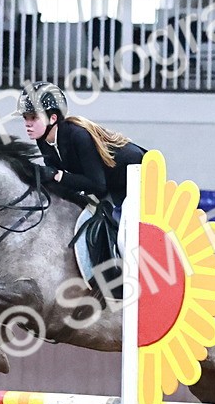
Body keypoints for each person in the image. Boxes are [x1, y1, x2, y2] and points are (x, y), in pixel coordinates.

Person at [18, 81, 147, 295]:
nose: (28, 124)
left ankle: (131, 287)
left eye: (33, 118)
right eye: (25, 118)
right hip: (107, 187)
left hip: (135, 177)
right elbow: (66, 186)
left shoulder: (78, 135)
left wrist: (57, 176)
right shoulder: (44, 141)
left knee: (125, 237)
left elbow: (96, 184)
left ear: (53, 118)